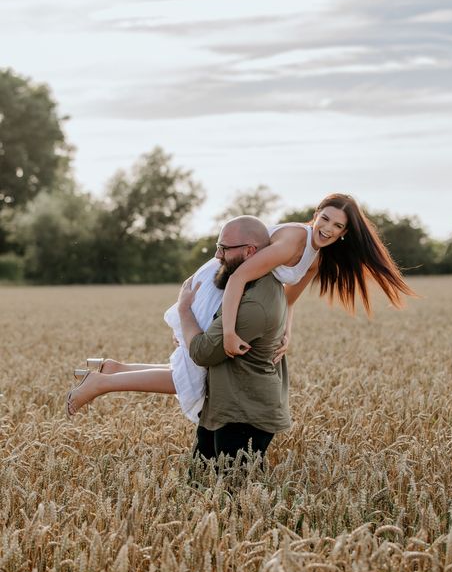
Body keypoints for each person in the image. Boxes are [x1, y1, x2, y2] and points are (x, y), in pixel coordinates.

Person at [66, 194, 415, 418]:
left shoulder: (316, 259)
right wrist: (228, 332)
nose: (327, 228)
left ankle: (113, 368)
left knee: (196, 373)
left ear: (343, 235)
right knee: (194, 377)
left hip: (237, 292)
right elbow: (236, 278)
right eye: (325, 218)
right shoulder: (293, 240)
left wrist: (286, 335)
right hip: (220, 284)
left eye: (337, 226)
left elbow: (287, 302)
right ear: (315, 214)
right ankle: (102, 384)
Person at [176, 216, 290, 461]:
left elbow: (203, 352)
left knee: (236, 493)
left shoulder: (254, 304)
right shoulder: (250, 285)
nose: (217, 255)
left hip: (244, 414)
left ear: (250, 251)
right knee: (199, 485)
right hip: (225, 408)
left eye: (224, 248)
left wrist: (184, 311)